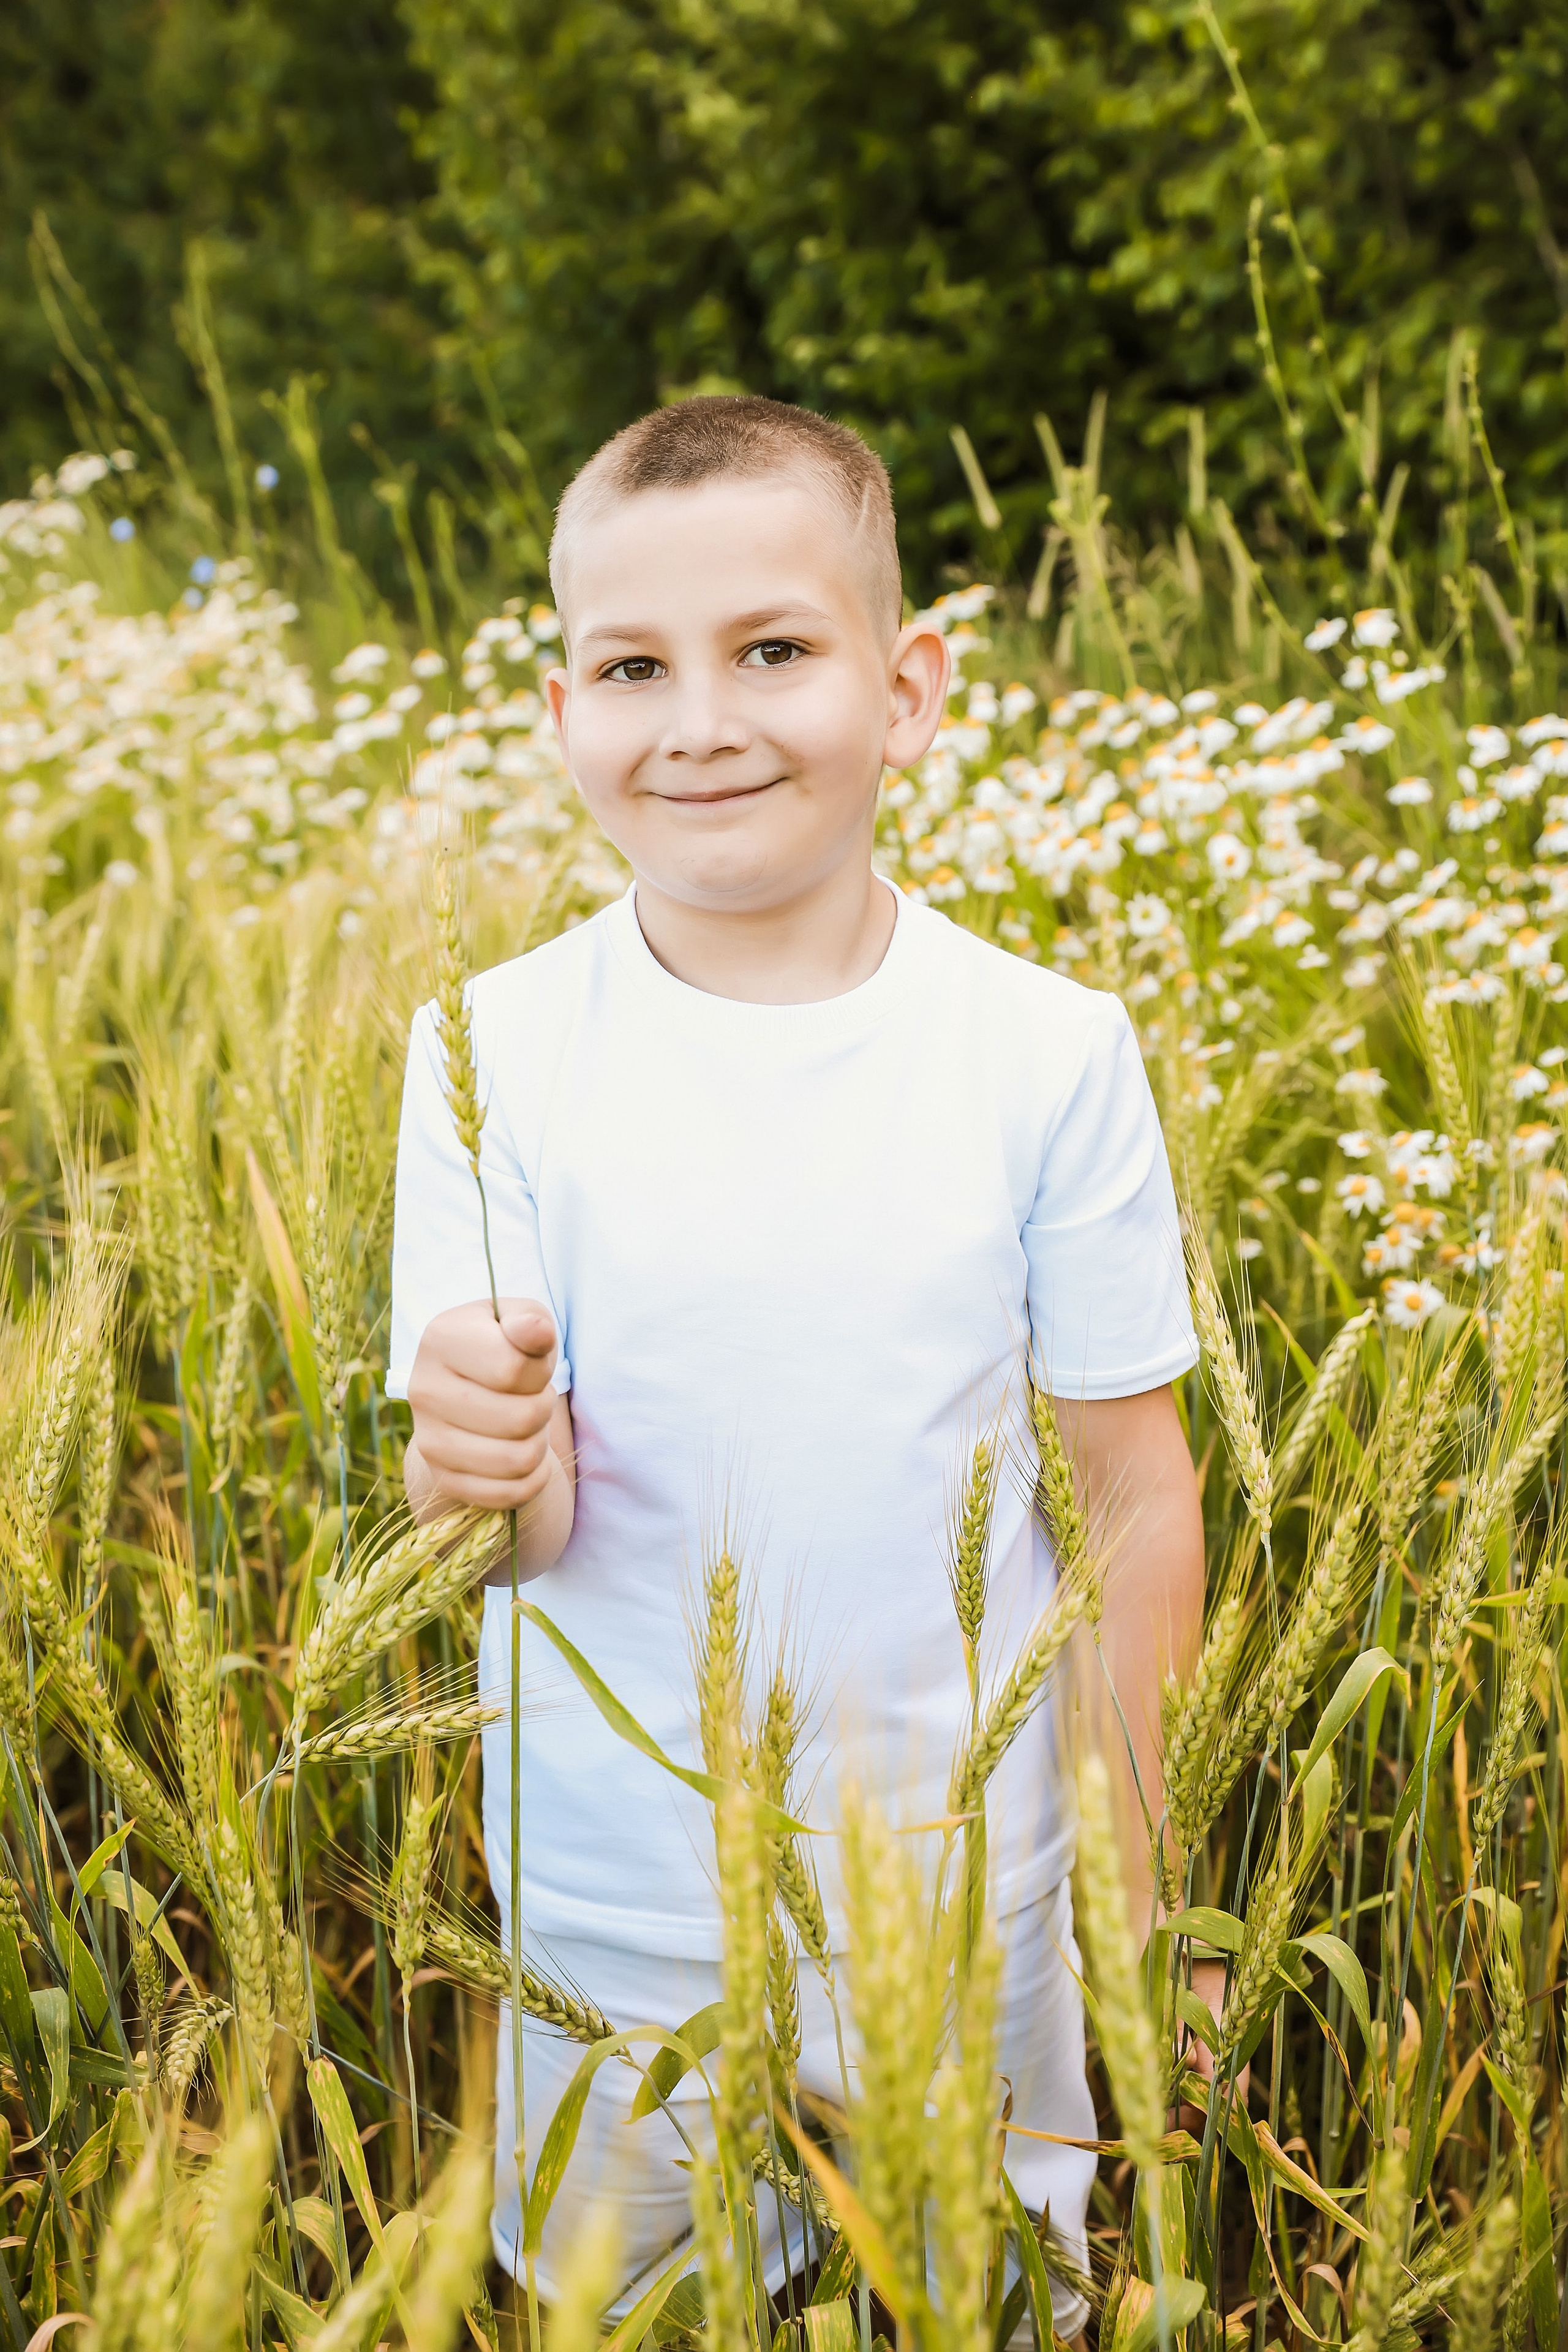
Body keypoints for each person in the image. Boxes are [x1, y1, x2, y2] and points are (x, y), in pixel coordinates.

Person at [386, 394, 1210, 2346]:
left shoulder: (1045, 1050)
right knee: (619, 2315)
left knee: (993, 2309)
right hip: (615, 1922)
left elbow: (1135, 1491)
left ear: (908, 689)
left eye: (773, 650)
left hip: (970, 1907)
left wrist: (1138, 1897)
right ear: (561, 708)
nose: (701, 721)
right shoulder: (491, 1052)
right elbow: (505, 1542)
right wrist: (470, 1459)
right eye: (631, 668)